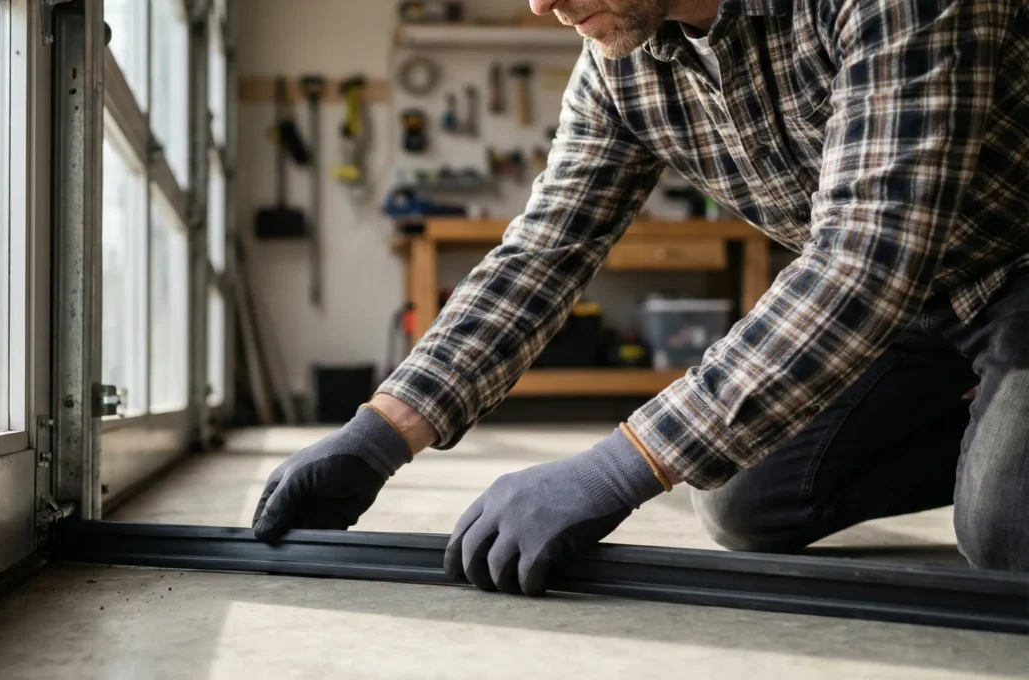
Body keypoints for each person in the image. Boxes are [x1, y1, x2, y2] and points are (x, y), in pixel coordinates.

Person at [251, 0, 1029, 593]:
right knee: (738, 500)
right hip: (906, 308)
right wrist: (380, 434)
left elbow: (866, 260)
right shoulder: (619, 65)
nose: (541, 4)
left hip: (1010, 271)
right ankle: (986, 428)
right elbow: (543, 254)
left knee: (1004, 534)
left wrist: (614, 469)